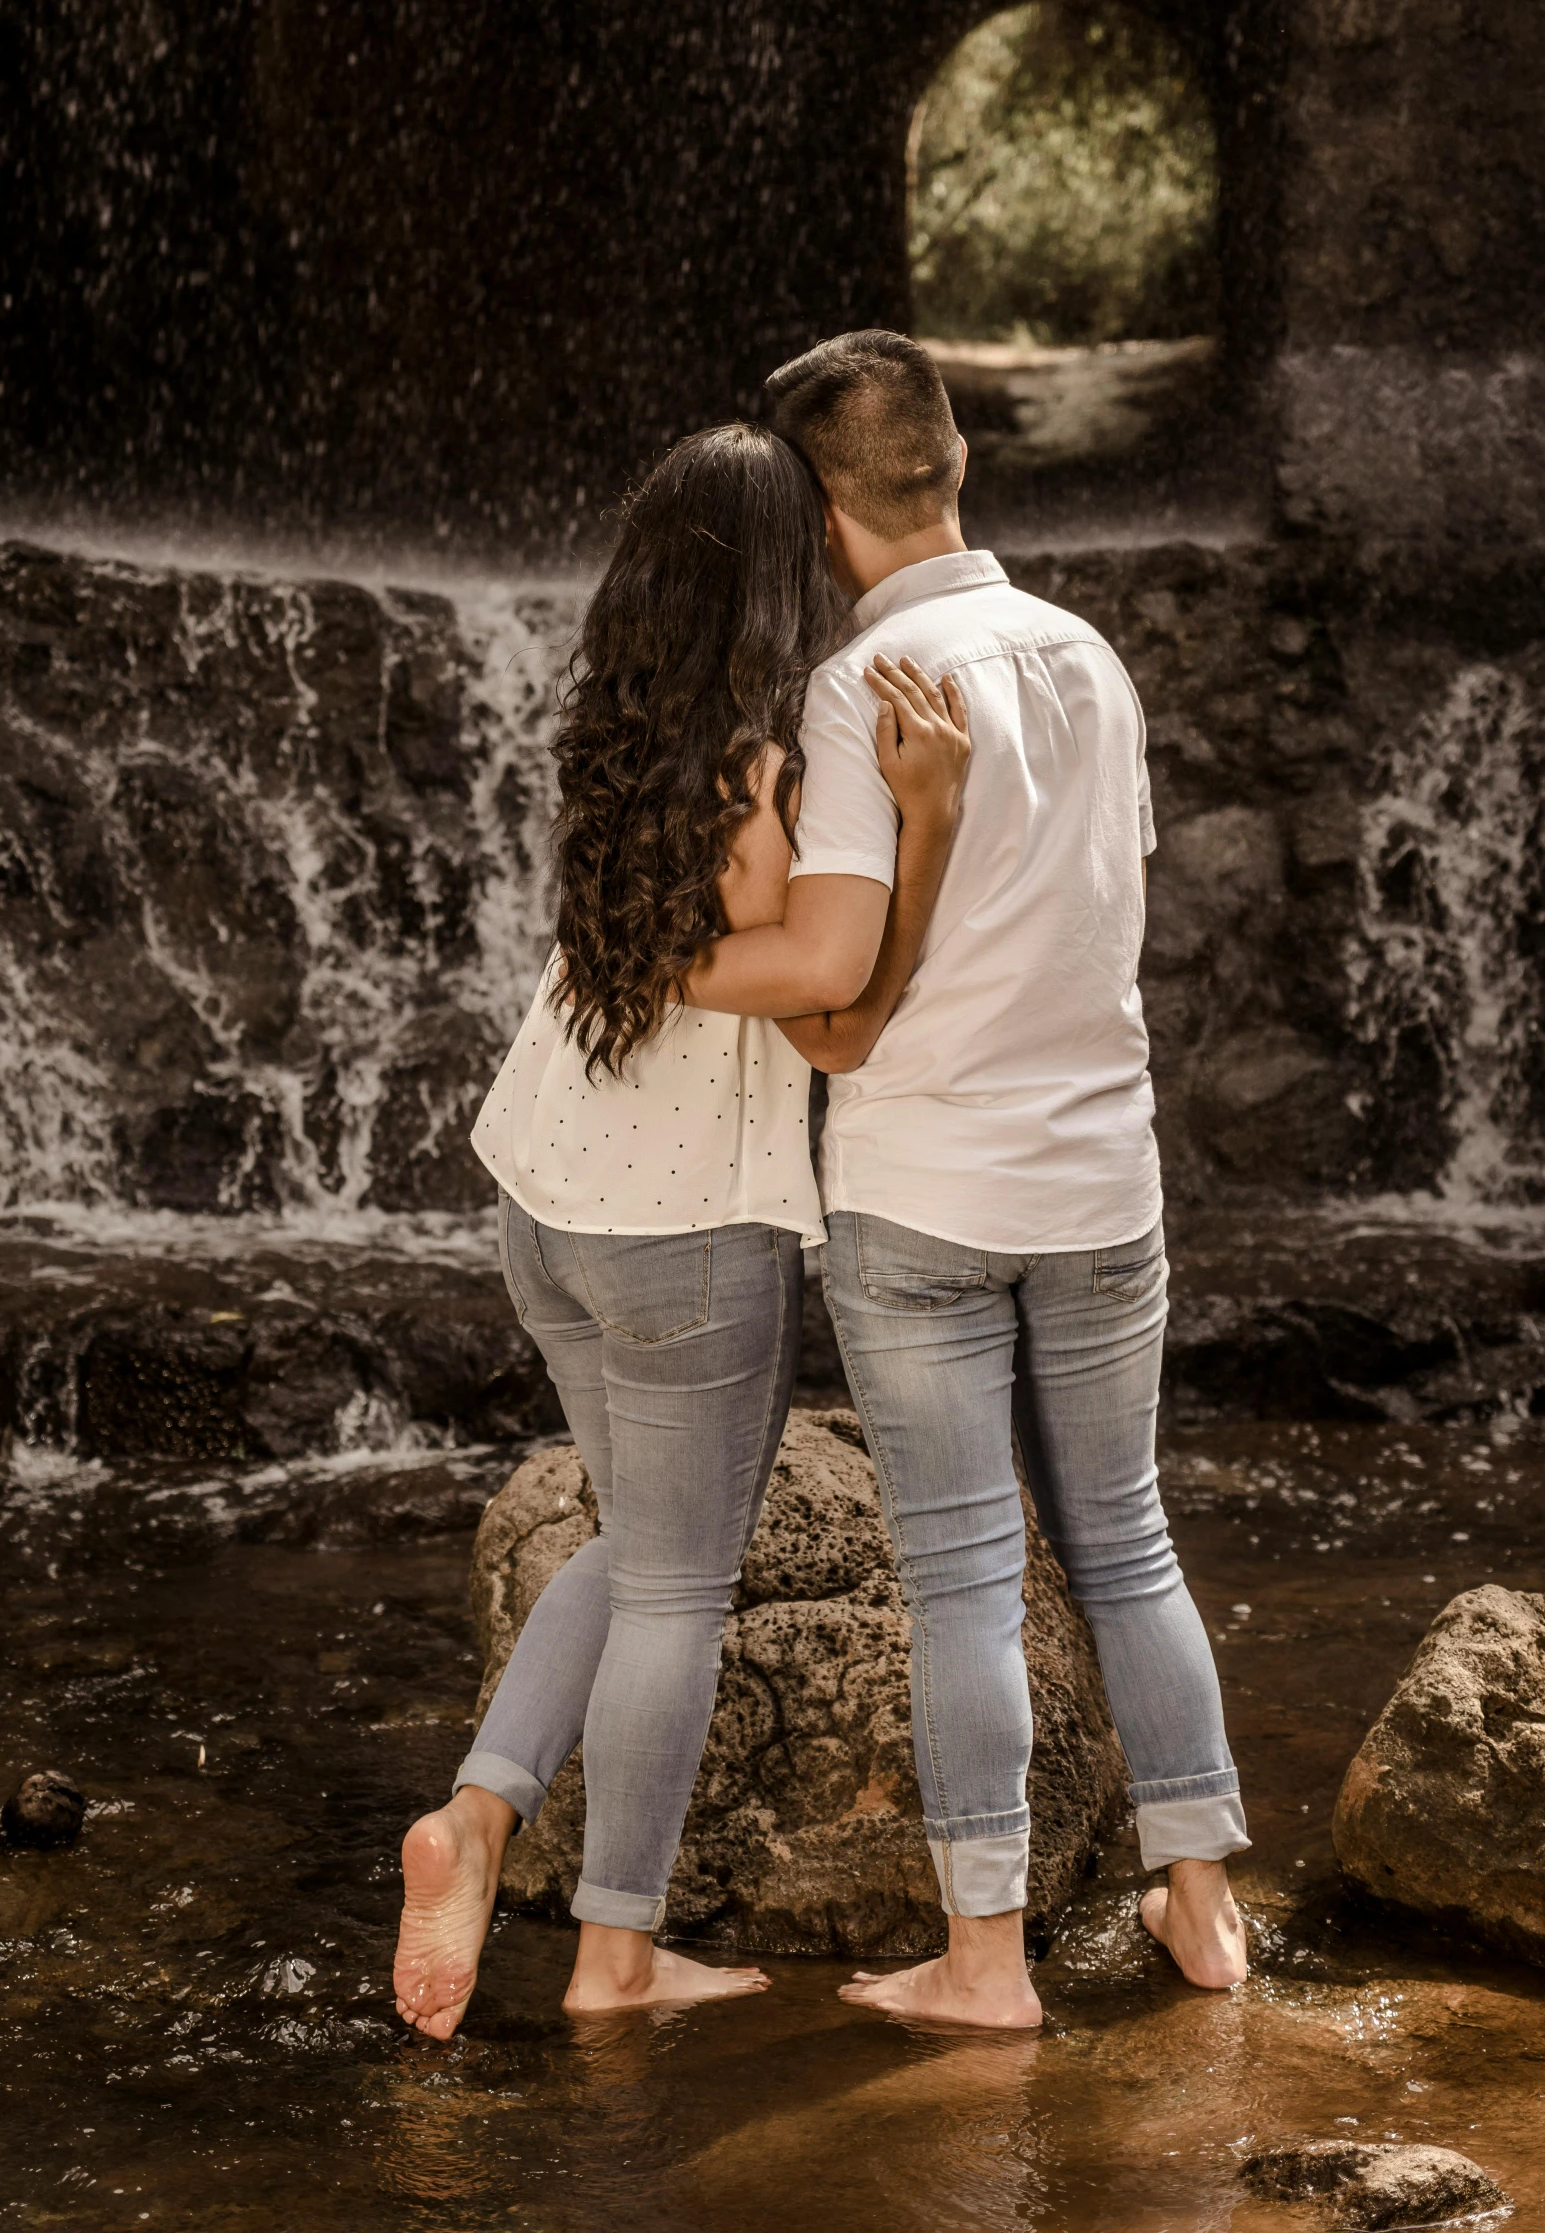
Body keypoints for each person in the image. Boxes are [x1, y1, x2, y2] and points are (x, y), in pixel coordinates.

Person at [685, 330, 1250, 2029]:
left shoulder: (858, 692)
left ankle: (984, 1961)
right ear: (950, 469)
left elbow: (841, 956)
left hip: (923, 1188)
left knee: (959, 1577)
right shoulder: (1088, 654)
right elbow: (1097, 910)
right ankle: (1201, 1901)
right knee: (1129, 1538)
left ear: (811, 513)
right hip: (1102, 1181)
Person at [391, 422, 971, 2034]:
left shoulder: (618, 722)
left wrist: (655, 961)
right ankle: (616, 1952)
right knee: (676, 1589)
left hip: (545, 1196)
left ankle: (480, 1813)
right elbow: (815, 972)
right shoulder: (764, 749)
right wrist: (920, 836)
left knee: (636, 1548)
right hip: (679, 1221)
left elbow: (665, 936)